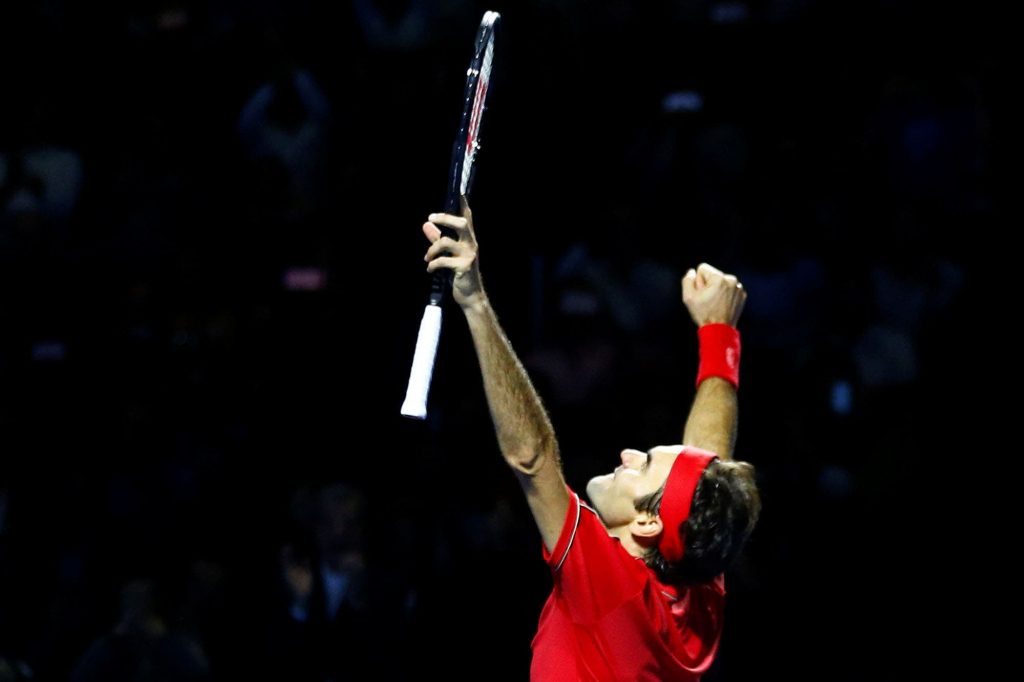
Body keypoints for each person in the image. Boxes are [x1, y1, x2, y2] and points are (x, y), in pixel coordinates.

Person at [421, 197, 761, 681]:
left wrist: (474, 300)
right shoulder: (698, 581)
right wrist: (718, 333)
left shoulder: (612, 582)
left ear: (646, 524)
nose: (627, 453)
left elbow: (531, 457)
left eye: (642, 465)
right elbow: (710, 460)